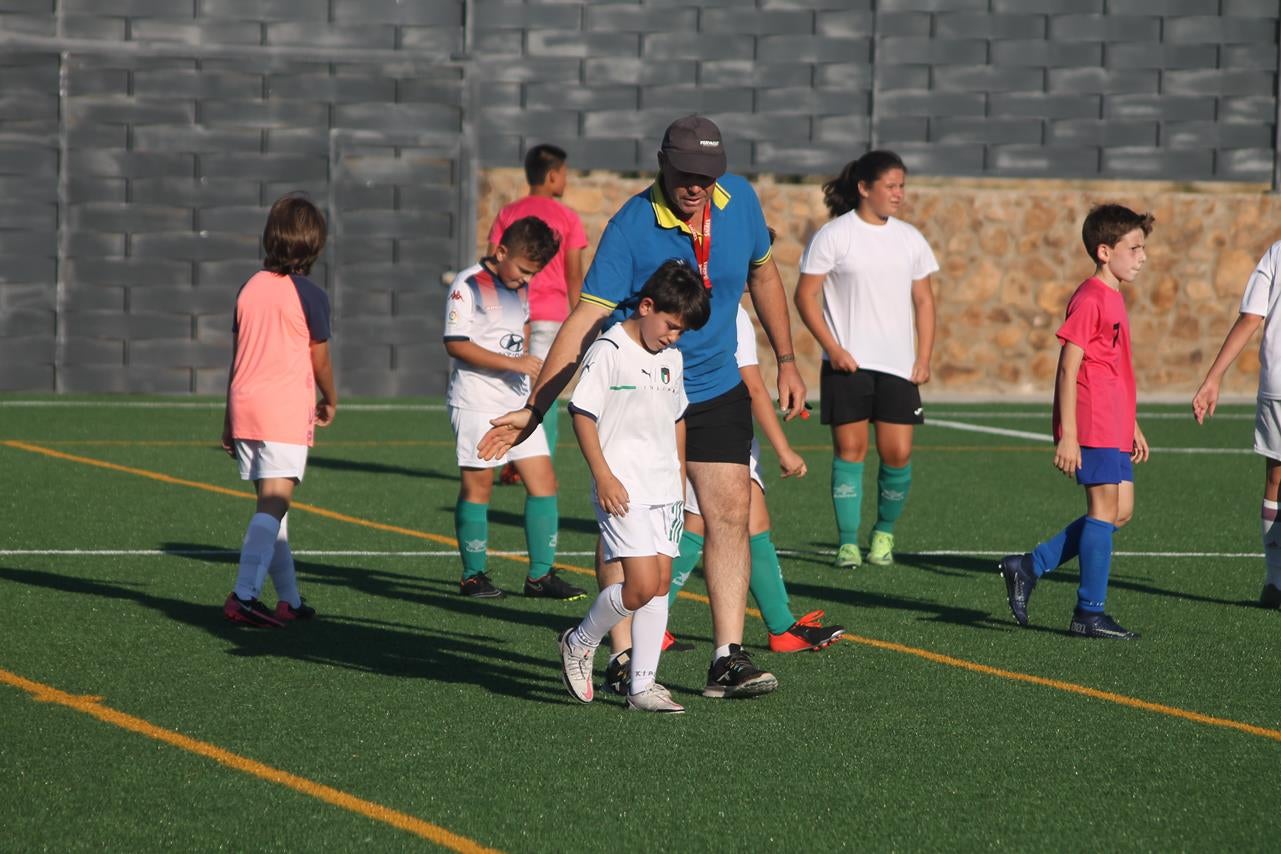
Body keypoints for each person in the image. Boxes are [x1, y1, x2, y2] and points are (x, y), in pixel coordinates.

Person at [480, 115, 807, 699]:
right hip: (641, 399)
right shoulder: (631, 226)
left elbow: (764, 274)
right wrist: (535, 408)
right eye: (685, 174)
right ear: (662, 163)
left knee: (730, 512)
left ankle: (726, 658)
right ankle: (622, 653)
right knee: (626, 528)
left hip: (715, 385)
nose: (695, 186)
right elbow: (584, 319)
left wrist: (785, 357)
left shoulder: (743, 205)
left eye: (707, 176)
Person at [557, 260, 710, 713]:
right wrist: (603, 475)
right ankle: (580, 641)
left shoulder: (671, 356)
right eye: (670, 326)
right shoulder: (609, 348)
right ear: (646, 306)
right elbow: (582, 412)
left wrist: (680, 479)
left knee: (660, 584)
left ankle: (642, 685)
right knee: (639, 585)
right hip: (622, 487)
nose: (673, 337)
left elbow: (677, 418)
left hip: (665, 487)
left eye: (681, 332)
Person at [999, 203, 1155, 639]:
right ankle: (1089, 612)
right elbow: (1069, 367)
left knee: (1119, 512)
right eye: (1135, 248)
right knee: (1103, 511)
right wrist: (1068, 435)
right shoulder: (1090, 298)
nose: (1142, 257)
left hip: (1114, 420)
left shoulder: (1114, 296)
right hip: (1092, 420)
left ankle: (1028, 566)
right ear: (1105, 252)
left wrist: (1133, 422)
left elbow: (1114, 367)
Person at [664, 304, 845, 654]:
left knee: (751, 521)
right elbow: (753, 386)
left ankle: (781, 626)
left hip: (707, 424)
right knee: (699, 524)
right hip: (711, 427)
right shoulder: (729, 312)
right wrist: (784, 449)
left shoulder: (724, 307)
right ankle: (648, 619)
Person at [794, 151, 938, 569]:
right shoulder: (835, 235)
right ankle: (847, 543)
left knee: (897, 455)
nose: (898, 194)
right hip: (847, 367)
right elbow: (805, 296)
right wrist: (833, 348)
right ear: (864, 187)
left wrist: (924, 356)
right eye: (891, 186)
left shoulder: (910, 238)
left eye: (902, 186)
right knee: (850, 452)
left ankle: (883, 535)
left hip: (898, 368)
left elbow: (924, 301)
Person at [443, 215, 584, 601]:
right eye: (523, 270)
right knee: (479, 485)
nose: (525, 280)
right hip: (476, 400)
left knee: (544, 482)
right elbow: (455, 343)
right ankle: (473, 575)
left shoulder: (517, 285)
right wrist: (516, 362)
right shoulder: (468, 285)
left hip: (517, 402)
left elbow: (518, 331)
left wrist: (523, 364)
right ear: (501, 251)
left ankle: (540, 575)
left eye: (532, 274)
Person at [220, 194, 336, 628]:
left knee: (273, 508)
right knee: (274, 504)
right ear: (316, 246)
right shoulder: (310, 294)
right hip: (283, 409)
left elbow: (237, 357)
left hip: (245, 405)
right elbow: (318, 358)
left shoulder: (249, 287)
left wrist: (228, 420)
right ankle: (244, 595)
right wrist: (331, 397)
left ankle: (288, 599)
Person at [486, 144, 588, 482]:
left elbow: (493, 265)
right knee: (546, 389)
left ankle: (506, 455)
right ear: (553, 175)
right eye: (565, 174)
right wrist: (581, 319)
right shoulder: (569, 218)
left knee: (513, 383)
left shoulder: (507, 213)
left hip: (514, 314)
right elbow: (575, 276)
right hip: (553, 317)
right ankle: (537, 463)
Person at [1192, 240, 1281, 609]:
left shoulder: (1277, 252)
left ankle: (1275, 581)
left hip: (1278, 387)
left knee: (1276, 478)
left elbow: (1250, 317)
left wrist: (1214, 377)